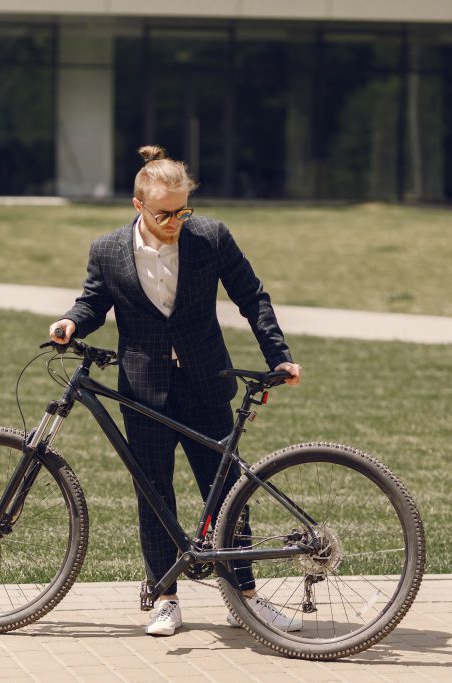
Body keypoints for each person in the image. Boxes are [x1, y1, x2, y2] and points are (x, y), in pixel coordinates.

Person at [49, 145, 302, 637]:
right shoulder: (107, 250)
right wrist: (70, 322)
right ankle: (163, 596)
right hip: (143, 389)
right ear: (138, 205)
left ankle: (244, 597)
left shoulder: (210, 237)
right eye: (166, 213)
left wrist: (279, 355)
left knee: (226, 491)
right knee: (154, 492)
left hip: (207, 381)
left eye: (183, 210)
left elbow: (252, 297)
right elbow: (94, 301)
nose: (176, 221)